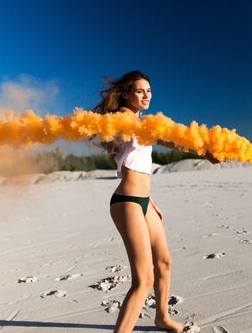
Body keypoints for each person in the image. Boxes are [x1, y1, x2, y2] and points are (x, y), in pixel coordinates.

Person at [93, 71, 220, 333]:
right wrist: (202, 150)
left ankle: (161, 317)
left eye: (149, 91)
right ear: (126, 94)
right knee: (143, 281)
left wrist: (204, 152)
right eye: (139, 91)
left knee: (164, 262)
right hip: (126, 201)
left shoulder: (145, 124)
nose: (146, 95)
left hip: (144, 201)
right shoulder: (122, 120)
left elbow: (158, 147)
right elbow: (166, 139)